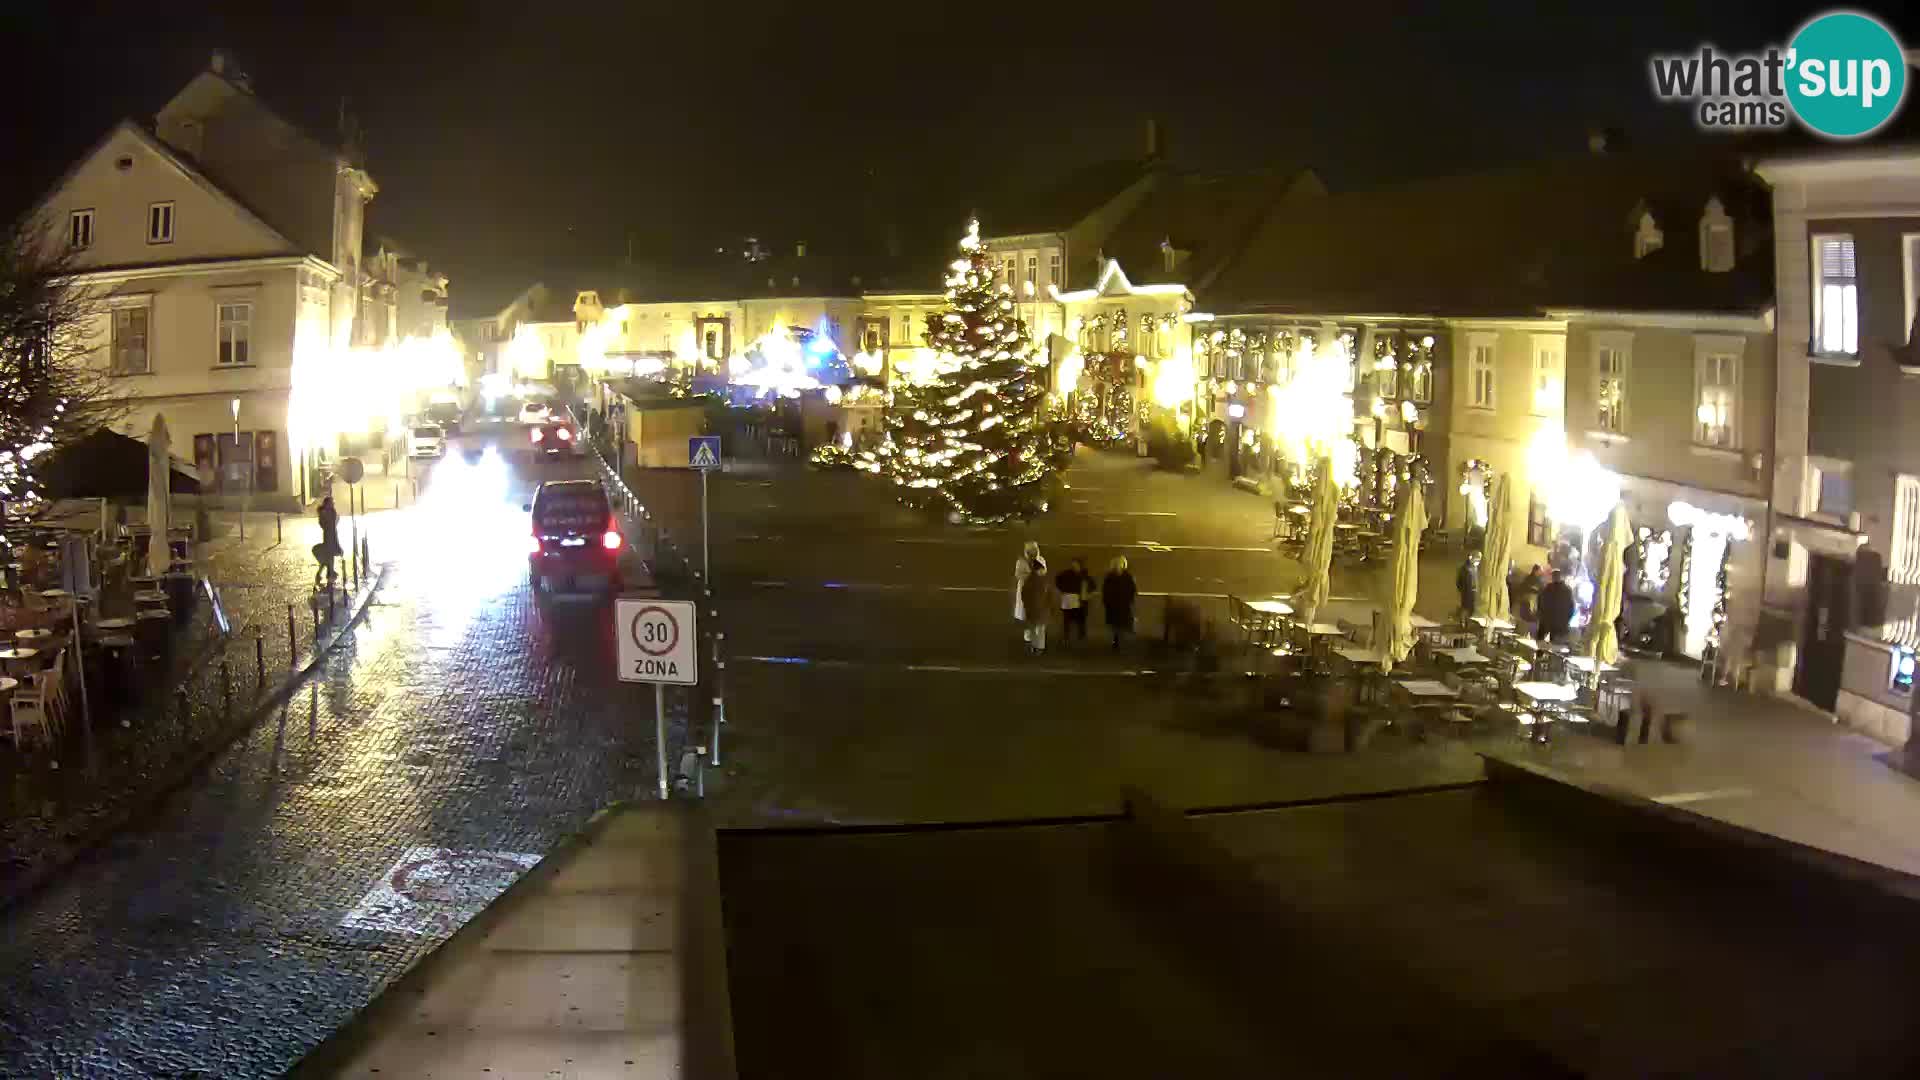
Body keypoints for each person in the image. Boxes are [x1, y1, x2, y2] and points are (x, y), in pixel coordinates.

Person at [1014, 541, 1051, 654]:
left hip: (1038, 593)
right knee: (1028, 618)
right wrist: (1029, 575)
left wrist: (1034, 571)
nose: (1033, 552)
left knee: (1039, 620)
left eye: (1034, 550)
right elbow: (1018, 575)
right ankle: (1029, 640)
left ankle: (1039, 646)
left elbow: (1043, 573)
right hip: (1025, 592)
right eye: (1030, 550)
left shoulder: (1040, 560)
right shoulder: (1021, 561)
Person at [1101, 556, 1138, 651]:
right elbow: (1105, 590)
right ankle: (1116, 641)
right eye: (1117, 564)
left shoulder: (1128, 577)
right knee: (1115, 624)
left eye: (1120, 563)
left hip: (1123, 604)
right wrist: (1106, 601)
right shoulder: (1109, 577)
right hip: (1113, 604)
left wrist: (1130, 600)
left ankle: (1119, 641)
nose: (1118, 565)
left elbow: (1133, 590)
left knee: (1121, 623)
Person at [1055, 556, 1093, 646]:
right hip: (1068, 600)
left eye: (1076, 564)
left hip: (1081, 602)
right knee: (1067, 621)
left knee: (1081, 621)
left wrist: (1087, 594)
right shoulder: (1066, 574)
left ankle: (1081, 638)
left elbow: (1092, 586)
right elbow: (1058, 580)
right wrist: (1062, 590)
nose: (1074, 566)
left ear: (1080, 565)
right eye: (1073, 564)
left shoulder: (1085, 575)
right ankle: (1066, 638)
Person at [1537, 569, 1576, 644]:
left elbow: (1540, 604)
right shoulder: (1567, 590)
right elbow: (1572, 608)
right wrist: (1566, 620)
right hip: (1561, 624)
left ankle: (1539, 655)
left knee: (1540, 644)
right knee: (1556, 648)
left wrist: (1541, 616)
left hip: (1546, 622)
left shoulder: (1547, 589)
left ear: (1553, 577)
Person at [312, 496, 344, 589]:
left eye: (332, 503)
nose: (332, 504)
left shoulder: (331, 513)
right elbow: (326, 525)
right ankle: (328, 579)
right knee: (328, 560)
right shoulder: (325, 513)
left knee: (328, 560)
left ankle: (326, 577)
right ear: (326, 504)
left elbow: (334, 526)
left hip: (332, 538)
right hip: (328, 539)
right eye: (331, 503)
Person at [1515, 564, 1544, 636]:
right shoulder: (1531, 580)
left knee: (1527, 623)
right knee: (1527, 623)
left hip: (1530, 606)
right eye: (1539, 571)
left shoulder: (1533, 580)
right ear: (1535, 571)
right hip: (1528, 605)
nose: (1541, 573)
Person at [1455, 553, 1480, 622]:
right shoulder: (1466, 569)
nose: (1477, 562)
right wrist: (1462, 590)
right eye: (1476, 561)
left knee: (1470, 606)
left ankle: (1467, 619)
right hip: (1467, 591)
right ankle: (1463, 620)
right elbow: (1459, 582)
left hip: (1471, 591)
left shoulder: (1474, 568)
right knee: (1465, 607)